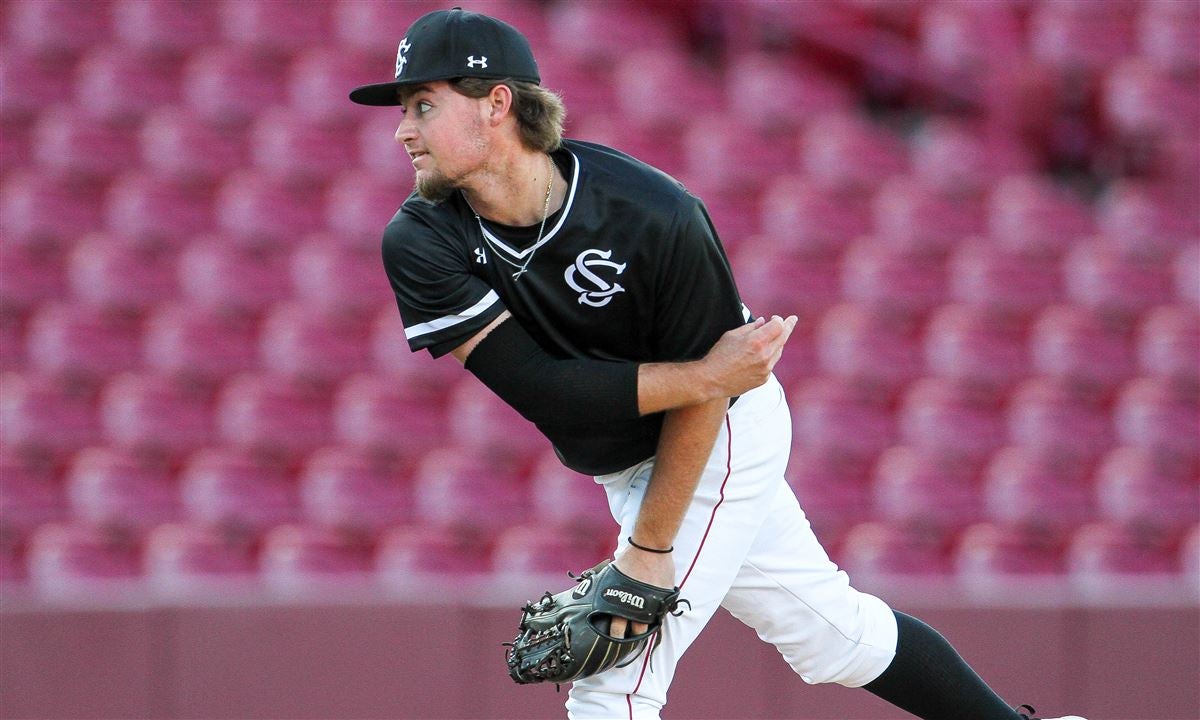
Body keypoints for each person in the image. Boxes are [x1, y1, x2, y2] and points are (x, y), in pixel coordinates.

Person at [349, 8, 1086, 720]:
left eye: (422, 104)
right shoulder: (420, 240)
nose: (402, 128)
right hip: (655, 428)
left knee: (613, 689)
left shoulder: (654, 212)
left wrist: (648, 552)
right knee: (832, 638)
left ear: (496, 104)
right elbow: (552, 396)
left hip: (722, 426)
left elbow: (716, 398)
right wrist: (705, 376)